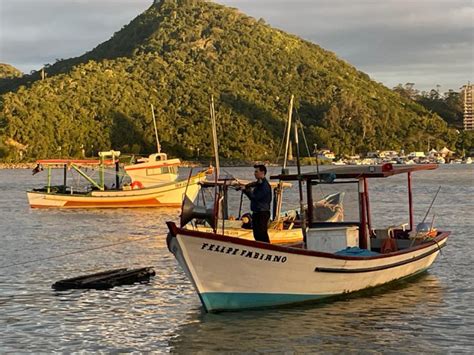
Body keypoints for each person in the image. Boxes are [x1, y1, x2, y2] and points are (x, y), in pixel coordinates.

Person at [240, 164, 272, 243]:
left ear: (262, 172)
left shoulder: (264, 185)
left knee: (262, 235)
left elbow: (255, 198)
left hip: (262, 213)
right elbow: (253, 197)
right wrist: (245, 189)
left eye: (256, 172)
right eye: (255, 172)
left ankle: (267, 249)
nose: (254, 173)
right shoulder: (258, 184)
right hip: (256, 213)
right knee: (256, 235)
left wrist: (246, 190)